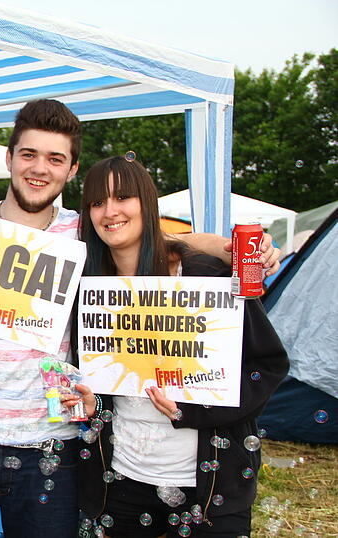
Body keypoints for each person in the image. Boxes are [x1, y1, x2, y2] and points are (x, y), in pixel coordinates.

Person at [0, 99, 281, 537]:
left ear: (71, 171)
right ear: (10, 157)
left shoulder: (85, 232)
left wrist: (234, 249)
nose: (40, 168)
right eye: (29, 154)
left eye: (55, 158)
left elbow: (158, 236)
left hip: (54, 444)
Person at [68, 155, 289, 537]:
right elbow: (107, 390)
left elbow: (266, 365)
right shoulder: (89, 289)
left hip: (211, 488)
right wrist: (95, 404)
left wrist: (194, 409)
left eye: (123, 197)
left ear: (147, 204)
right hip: (120, 483)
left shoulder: (206, 275)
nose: (110, 211)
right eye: (97, 202)